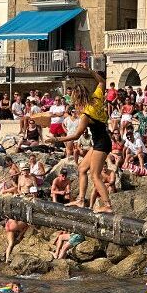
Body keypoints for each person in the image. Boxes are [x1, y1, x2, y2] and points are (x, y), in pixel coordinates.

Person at [48, 64, 112, 213]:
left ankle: (108, 205)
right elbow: (102, 82)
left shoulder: (85, 116)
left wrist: (56, 140)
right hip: (101, 141)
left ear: (78, 99)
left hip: (101, 144)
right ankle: (81, 200)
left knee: (95, 175)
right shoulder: (96, 98)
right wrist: (89, 70)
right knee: (82, 168)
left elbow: (76, 135)